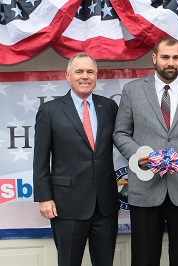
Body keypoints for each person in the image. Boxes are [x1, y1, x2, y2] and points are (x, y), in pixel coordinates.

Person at [113, 37, 178, 266]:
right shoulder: (132, 91)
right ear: (154, 58)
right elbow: (120, 133)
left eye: (176, 57)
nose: (171, 62)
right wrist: (140, 154)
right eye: (165, 57)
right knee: (144, 258)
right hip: (146, 188)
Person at [33, 52, 120, 266]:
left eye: (90, 72)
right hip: (67, 205)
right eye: (79, 71)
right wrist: (44, 197)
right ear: (68, 75)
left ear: (96, 76)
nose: (85, 76)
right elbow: (40, 158)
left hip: (105, 205)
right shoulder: (50, 110)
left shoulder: (109, 107)